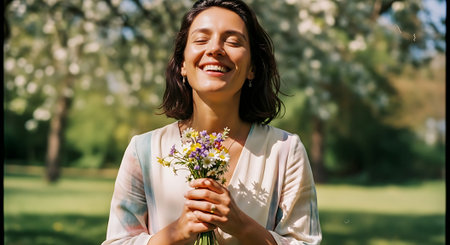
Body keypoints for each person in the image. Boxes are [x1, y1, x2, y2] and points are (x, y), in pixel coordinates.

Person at [102, 0, 322, 244]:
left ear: (252, 68)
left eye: (233, 41)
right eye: (201, 39)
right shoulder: (143, 151)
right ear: (183, 64)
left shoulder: (285, 151)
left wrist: (242, 226)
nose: (215, 48)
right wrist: (177, 232)